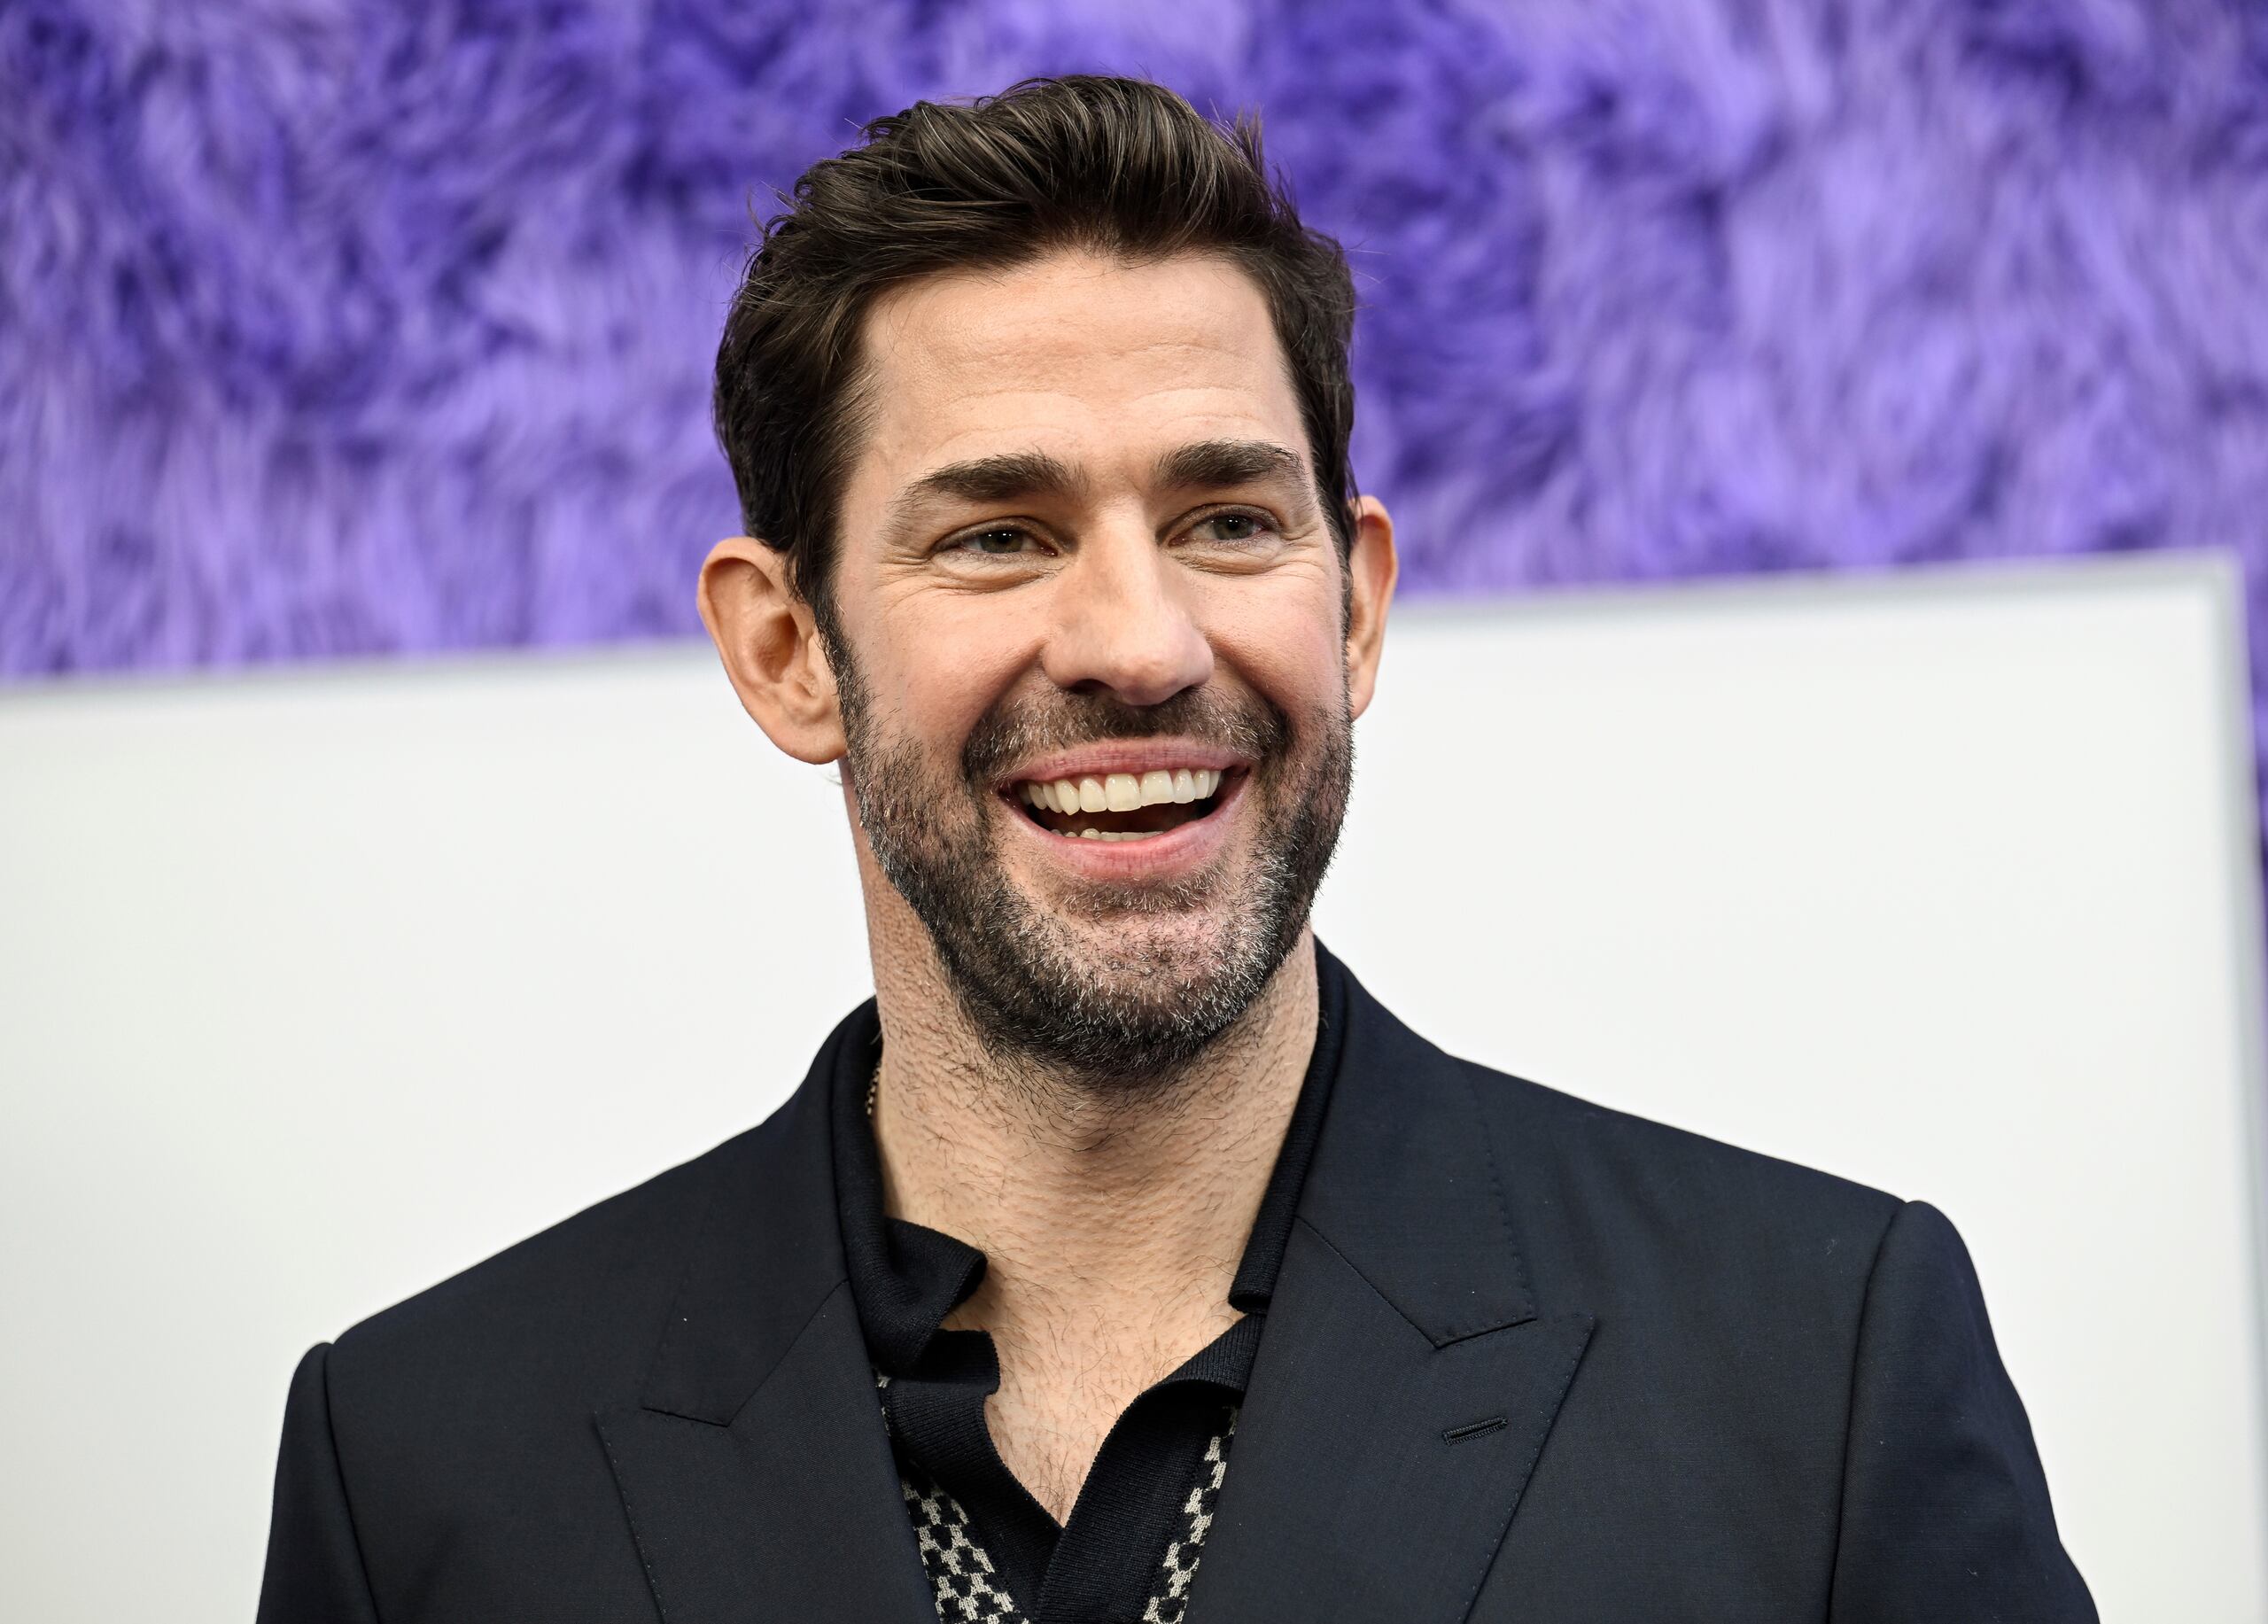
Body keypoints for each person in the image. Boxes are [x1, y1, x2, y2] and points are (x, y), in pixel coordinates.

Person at [256, 74, 2095, 1622]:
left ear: (1355, 606)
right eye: (995, 534)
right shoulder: (422, 1466)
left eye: (1222, 517)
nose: (1137, 639)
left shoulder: (1815, 1367)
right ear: (787, 649)